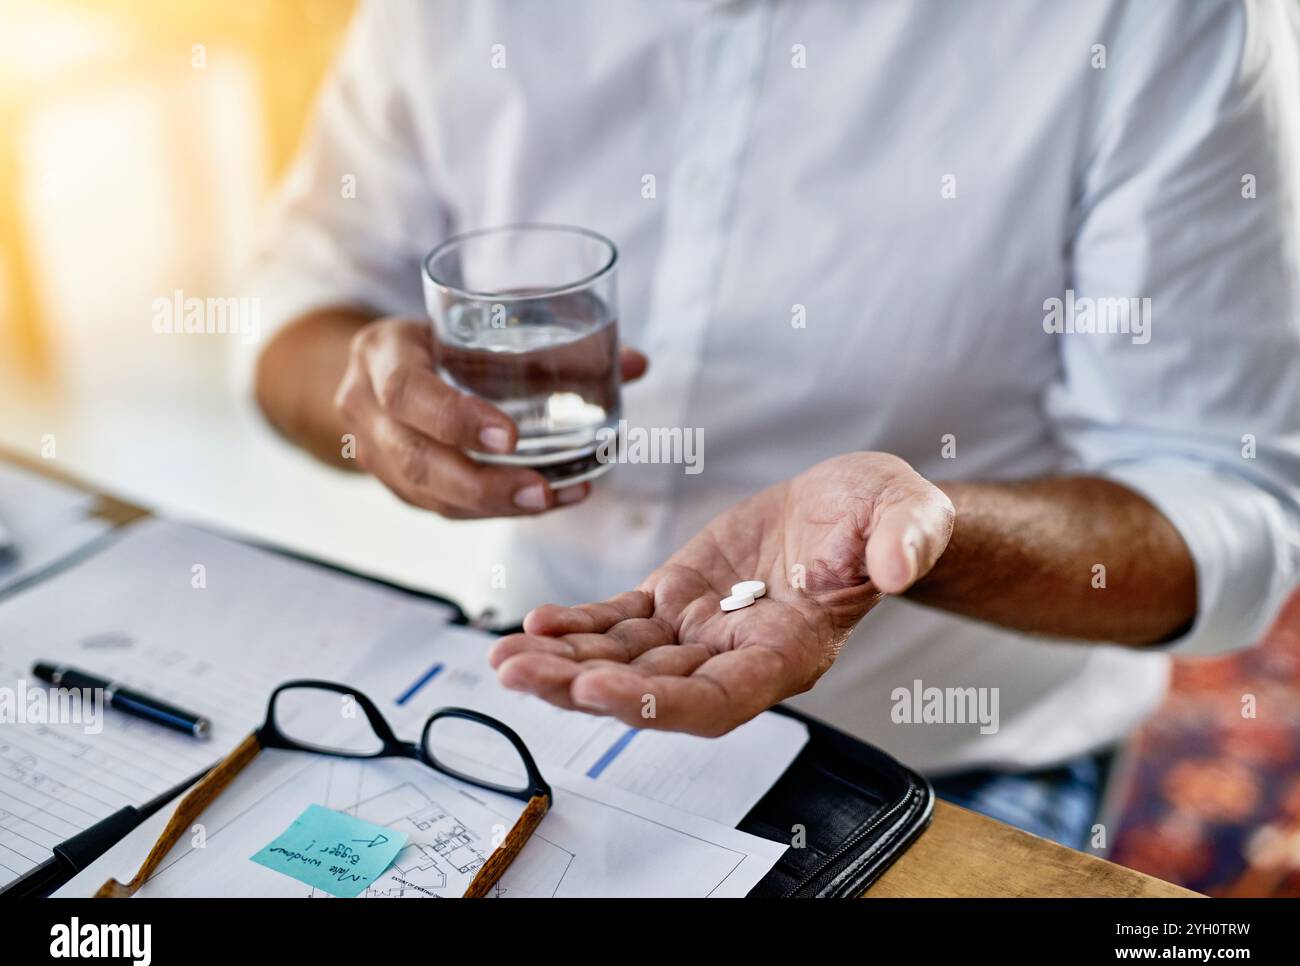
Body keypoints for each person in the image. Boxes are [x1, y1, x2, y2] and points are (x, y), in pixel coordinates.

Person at [247, 0, 1300, 849]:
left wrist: (912, 537)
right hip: (545, 692)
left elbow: (1225, 506)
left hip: (942, 760)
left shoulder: (1159, 21)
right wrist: (373, 399)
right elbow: (299, 315)